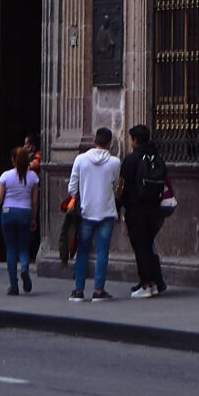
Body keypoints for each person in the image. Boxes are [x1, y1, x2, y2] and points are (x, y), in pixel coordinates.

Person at [66, 128, 119, 302]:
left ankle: (78, 290)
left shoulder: (80, 159)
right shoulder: (115, 162)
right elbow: (116, 186)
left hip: (86, 211)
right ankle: (98, 290)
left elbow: (72, 188)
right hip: (106, 211)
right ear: (109, 143)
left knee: (82, 251)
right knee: (103, 252)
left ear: (95, 140)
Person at [119, 125, 168, 298]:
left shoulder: (131, 160)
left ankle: (147, 284)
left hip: (136, 209)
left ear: (135, 140)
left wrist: (118, 204)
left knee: (140, 247)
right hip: (155, 209)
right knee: (148, 246)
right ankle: (154, 282)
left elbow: (122, 185)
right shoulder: (156, 158)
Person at [0, 141, 41, 296]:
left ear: (13, 160)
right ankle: (24, 268)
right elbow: (34, 201)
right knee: (23, 247)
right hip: (25, 212)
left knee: (11, 249)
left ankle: (13, 285)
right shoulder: (33, 177)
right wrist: (33, 218)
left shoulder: (6, 176)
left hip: (8, 212)